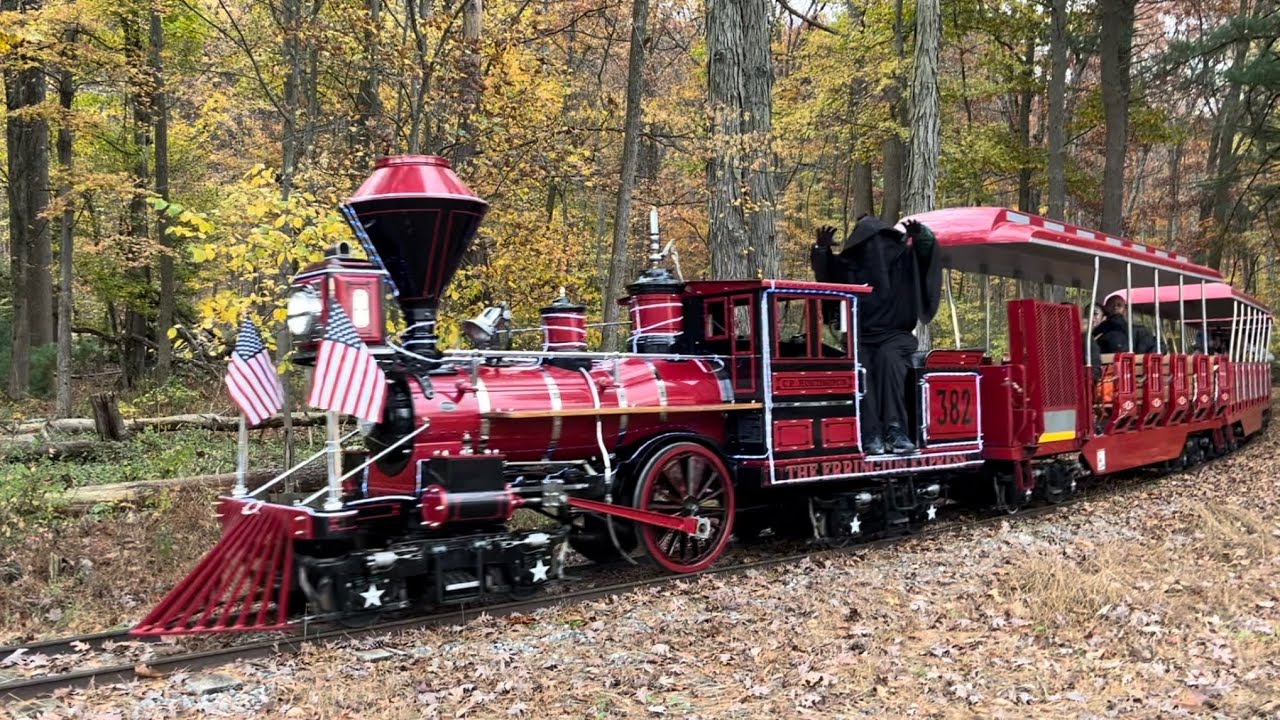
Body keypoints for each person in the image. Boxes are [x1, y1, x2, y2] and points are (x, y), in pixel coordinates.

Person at [811, 215, 942, 455]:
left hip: (896, 336)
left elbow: (926, 257)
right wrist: (821, 250)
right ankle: (870, 432)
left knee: (889, 361)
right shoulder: (851, 265)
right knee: (861, 370)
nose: (876, 252)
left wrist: (921, 235)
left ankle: (895, 429)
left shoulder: (902, 260)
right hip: (860, 337)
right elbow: (828, 274)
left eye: (881, 244)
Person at [1083, 303, 1103, 380]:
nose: (1090, 317)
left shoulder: (1087, 339)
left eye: (1095, 314)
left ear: (1103, 318)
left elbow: (1095, 371)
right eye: (1087, 314)